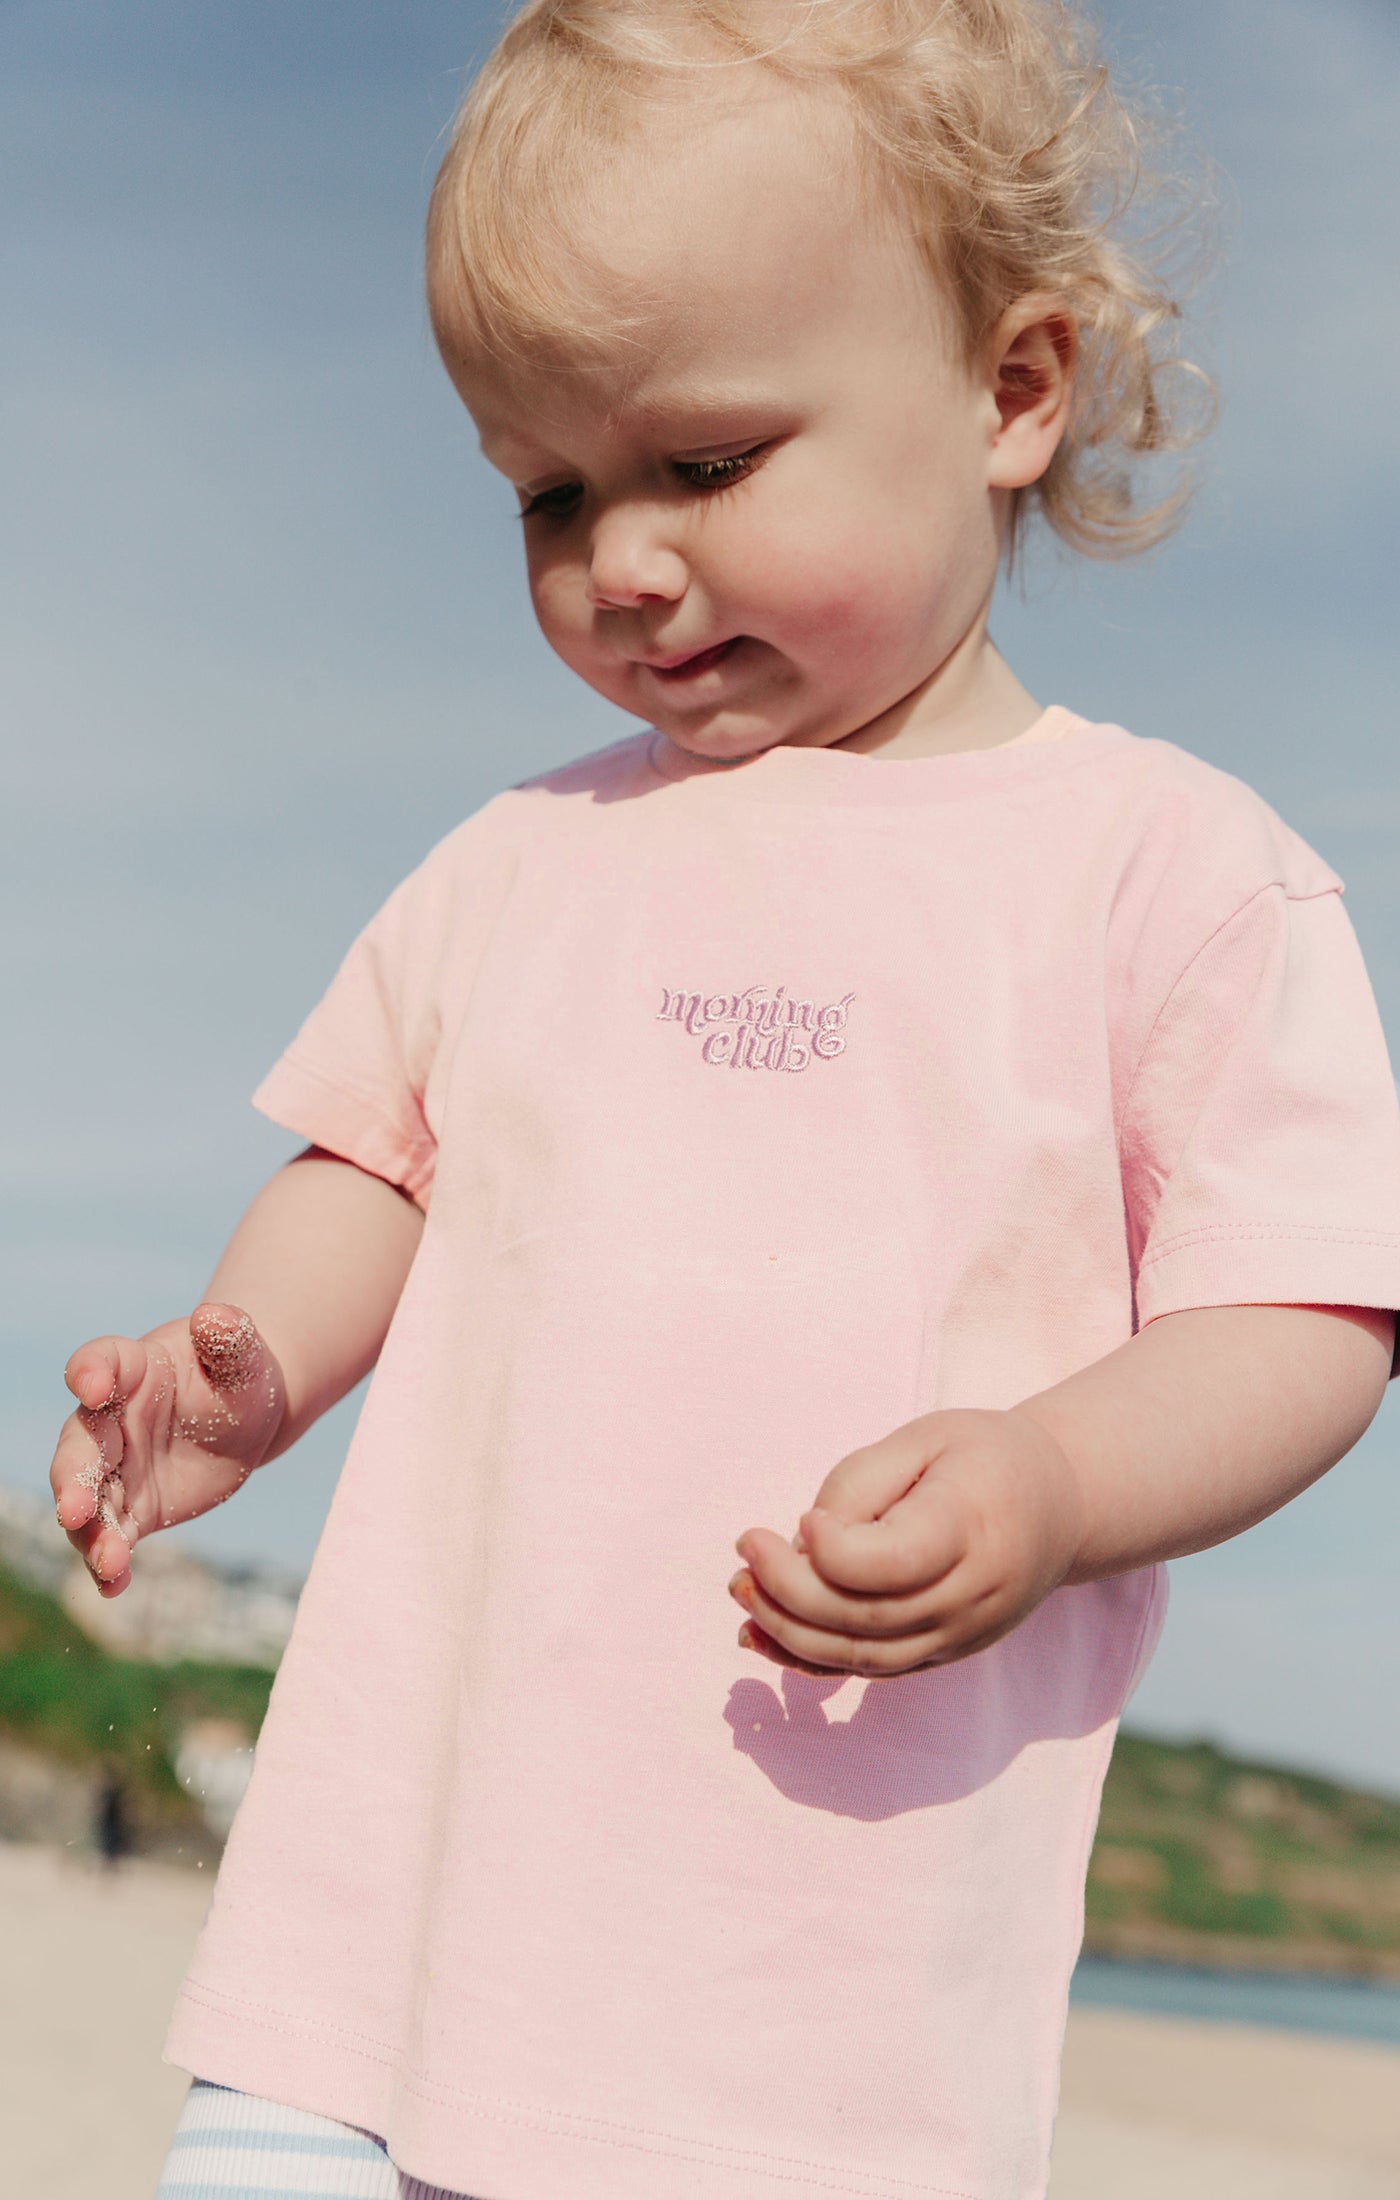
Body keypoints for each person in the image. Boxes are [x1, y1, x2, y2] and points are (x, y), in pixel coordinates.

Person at [49, 4, 1400, 2197]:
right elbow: (375, 1162)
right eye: (550, 492)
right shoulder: (524, 858)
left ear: (1012, 388)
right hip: (369, 1959)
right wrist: (251, 1365)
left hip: (808, 2026)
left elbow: (1304, 1311)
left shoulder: (1169, 880)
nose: (619, 561)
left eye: (702, 464)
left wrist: (1058, 1476)